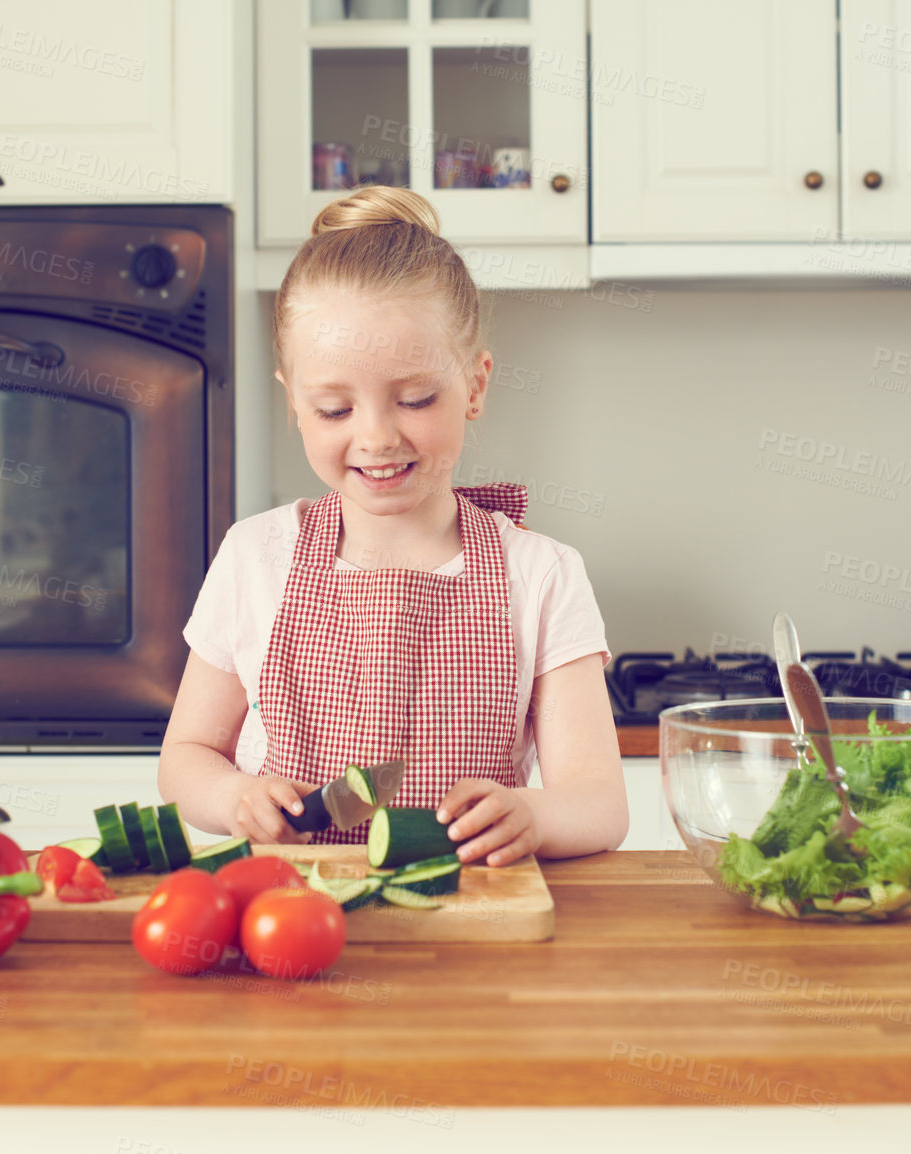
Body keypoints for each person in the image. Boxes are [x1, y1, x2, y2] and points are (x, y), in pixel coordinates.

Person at [158, 187, 626, 867]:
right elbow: (186, 757)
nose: (375, 437)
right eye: (333, 409)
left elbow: (599, 802)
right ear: (293, 403)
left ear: (475, 385)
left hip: (473, 928)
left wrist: (533, 814)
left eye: (414, 399)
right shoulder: (254, 557)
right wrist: (234, 798)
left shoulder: (543, 575)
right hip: (291, 924)